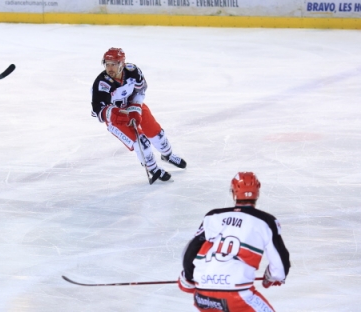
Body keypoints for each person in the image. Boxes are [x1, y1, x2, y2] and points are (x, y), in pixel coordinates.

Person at [178, 172, 291, 311]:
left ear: (233, 193)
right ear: (257, 193)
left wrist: (188, 278)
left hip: (203, 296)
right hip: (236, 295)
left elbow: (191, 250)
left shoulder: (212, 216)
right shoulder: (265, 221)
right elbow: (279, 268)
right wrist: (271, 277)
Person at [90, 48, 186, 184]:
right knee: (142, 143)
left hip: (133, 106)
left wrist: (135, 109)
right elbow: (98, 111)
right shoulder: (101, 83)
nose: (109, 68)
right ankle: (153, 168)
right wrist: (117, 115)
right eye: (107, 64)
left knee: (156, 132)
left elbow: (140, 91)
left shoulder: (133, 71)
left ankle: (168, 155)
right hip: (116, 117)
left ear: (122, 64)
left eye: (113, 64)